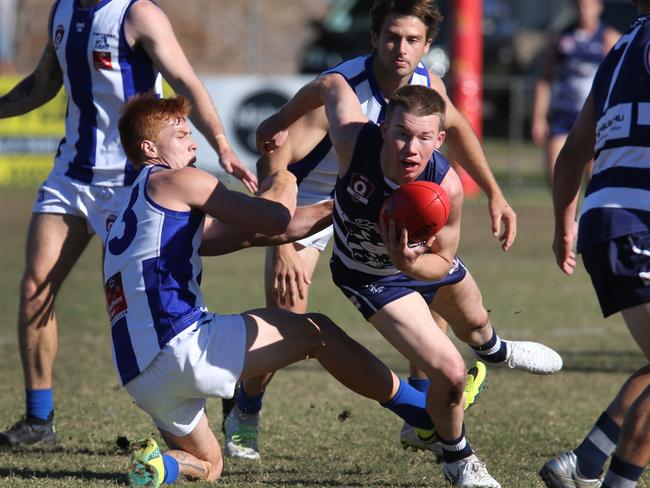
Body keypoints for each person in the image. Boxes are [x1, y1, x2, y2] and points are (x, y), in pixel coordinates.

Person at [108, 93, 463, 488]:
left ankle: (161, 468)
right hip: (180, 344)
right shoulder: (181, 179)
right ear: (149, 147)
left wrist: (343, 207)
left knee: (208, 465)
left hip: (138, 372)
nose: (192, 142)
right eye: (181, 134)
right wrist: (286, 176)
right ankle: (422, 416)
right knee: (318, 333)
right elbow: (275, 217)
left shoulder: (133, 203)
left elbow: (247, 234)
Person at [223, 0, 519, 460]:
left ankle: (423, 410)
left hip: (377, 205)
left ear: (427, 45)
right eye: (393, 37)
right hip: (308, 205)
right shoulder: (345, 90)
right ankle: (246, 405)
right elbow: (277, 157)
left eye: (413, 40)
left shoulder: (427, 88)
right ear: (375, 39)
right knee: (289, 321)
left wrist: (495, 193)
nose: (402, 49)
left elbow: (457, 129)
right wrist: (281, 232)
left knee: (427, 277)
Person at [258, 77, 565, 485]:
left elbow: (442, 261)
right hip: (370, 277)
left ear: (439, 139)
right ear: (383, 128)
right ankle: (460, 460)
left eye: (423, 138)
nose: (411, 148)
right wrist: (278, 121)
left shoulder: (446, 185)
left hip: (422, 265)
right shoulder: (354, 141)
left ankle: (494, 352)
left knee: (475, 325)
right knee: (452, 373)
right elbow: (332, 85)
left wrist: (411, 263)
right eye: (401, 135)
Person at [0, 0, 257, 447]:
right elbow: (44, 83)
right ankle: (39, 421)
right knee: (34, 288)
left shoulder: (138, 14)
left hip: (131, 183)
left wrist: (220, 143)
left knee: (158, 293)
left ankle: (224, 384)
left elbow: (185, 81)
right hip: (71, 176)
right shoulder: (62, 11)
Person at [540, 2, 650, 487]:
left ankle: (586, 460)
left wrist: (566, 224)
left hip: (612, 220)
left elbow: (572, 154)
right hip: (635, 221)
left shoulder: (619, 50)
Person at [531, 0, 619, 185]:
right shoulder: (561, 38)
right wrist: (538, 117)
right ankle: (567, 213)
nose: (582, 10)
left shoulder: (608, 37)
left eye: (587, 5)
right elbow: (545, 78)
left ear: (599, 7)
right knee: (556, 169)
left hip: (595, 115)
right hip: (564, 114)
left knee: (594, 173)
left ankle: (586, 213)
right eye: (579, 6)